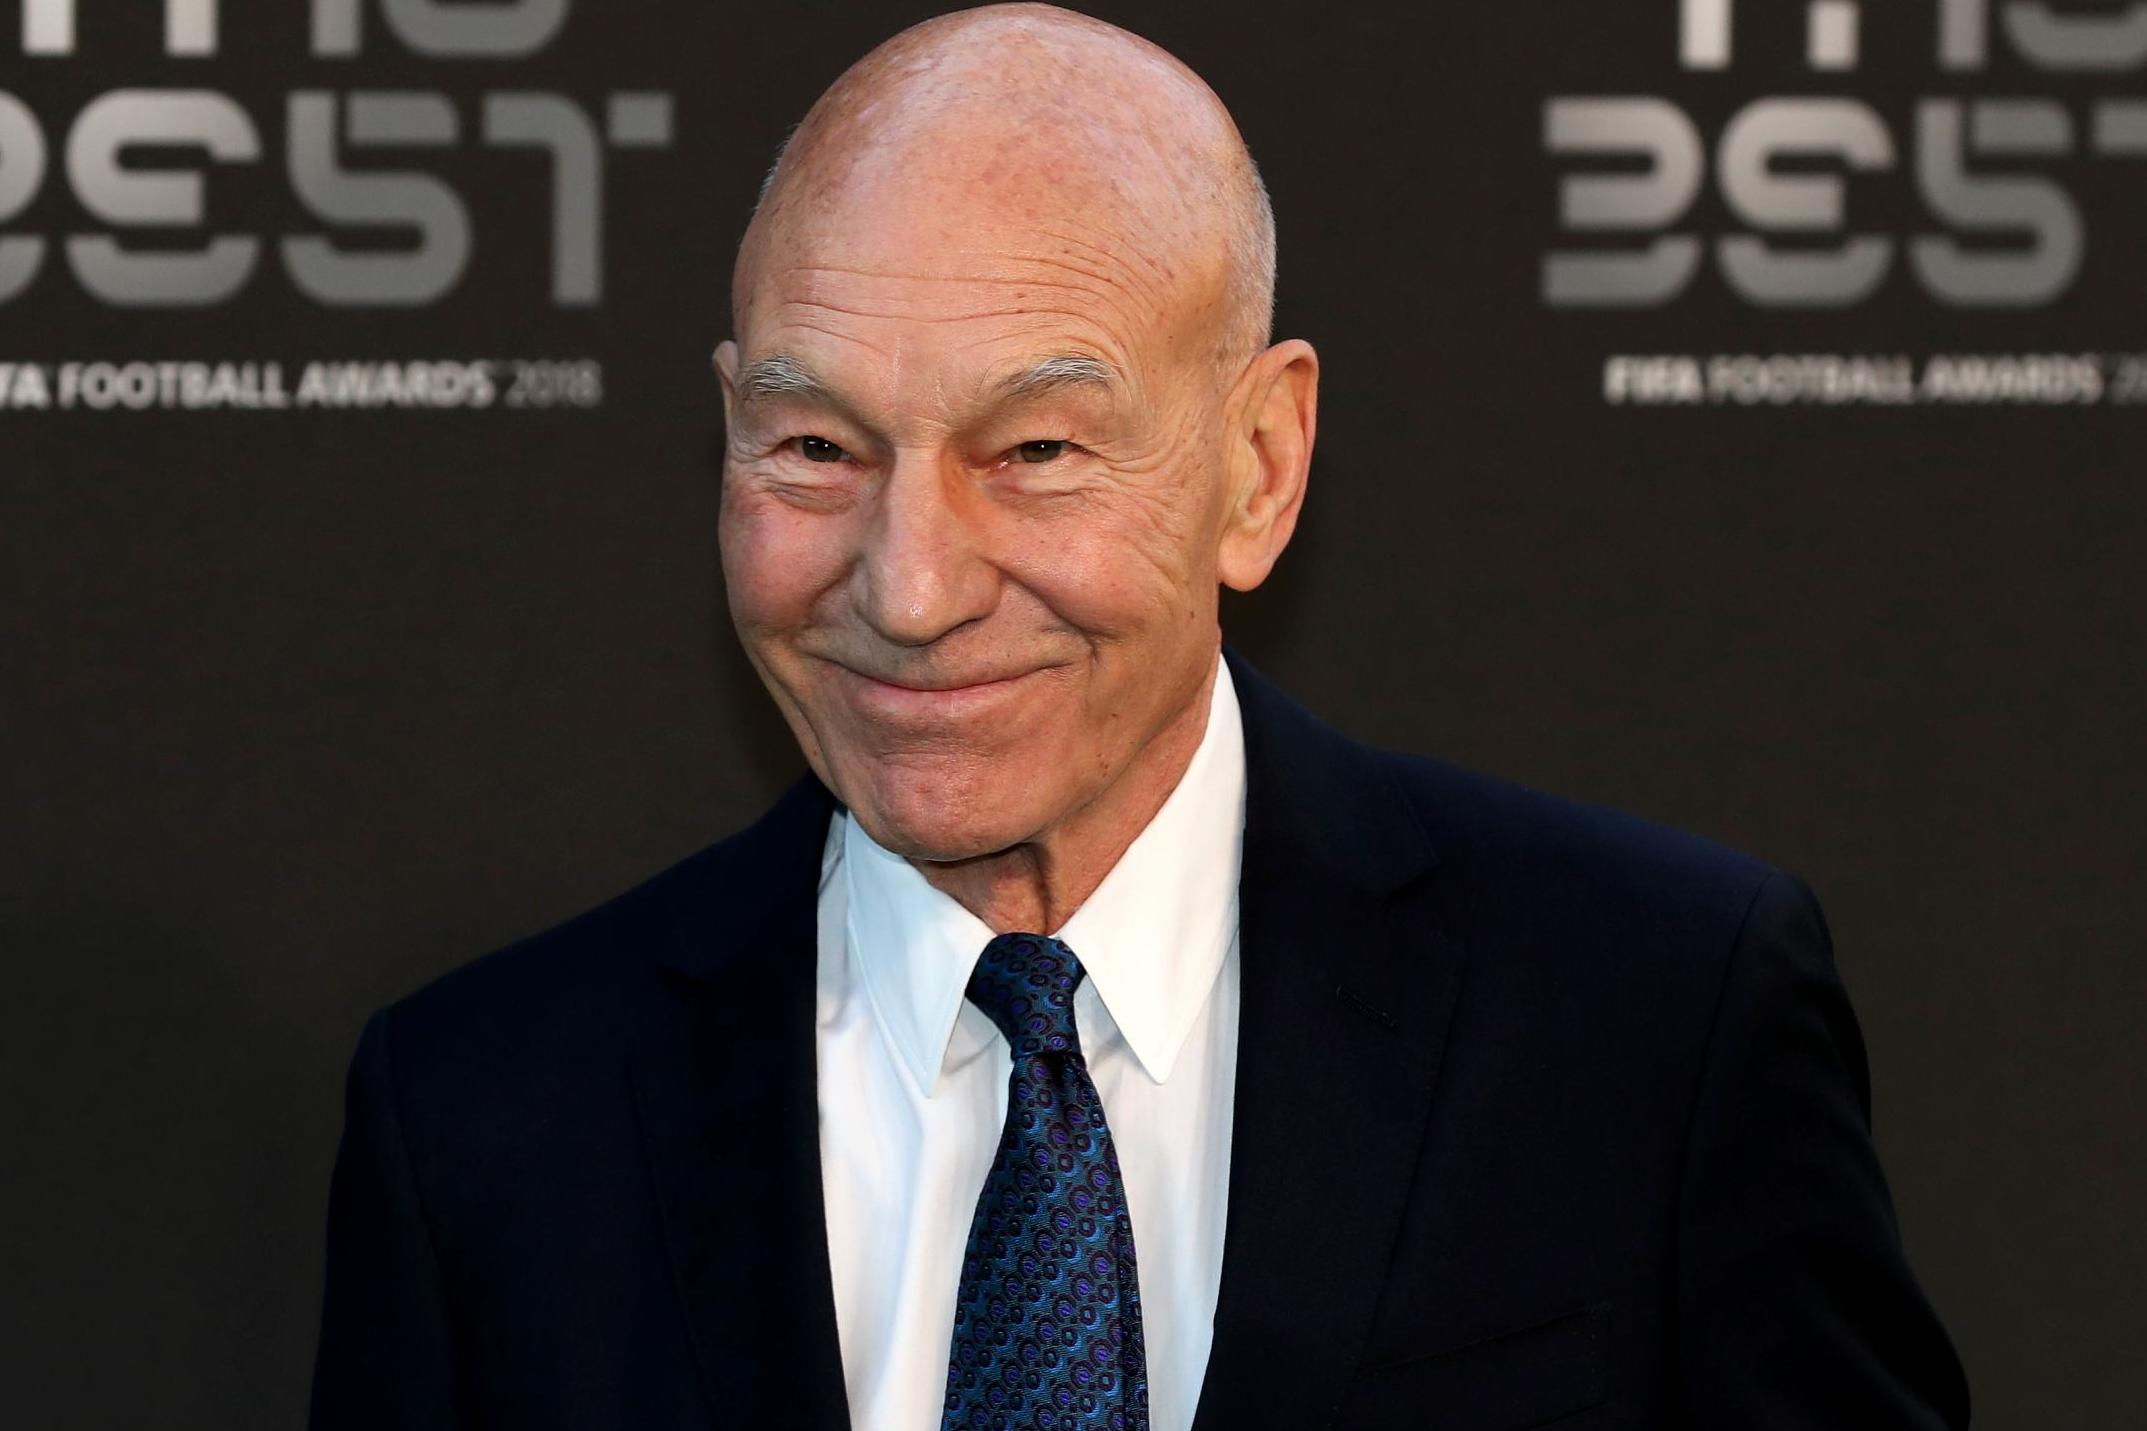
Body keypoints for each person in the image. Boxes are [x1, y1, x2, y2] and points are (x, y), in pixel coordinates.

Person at [307, 5, 1971, 1428]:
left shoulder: (1653, 1024)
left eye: (1033, 452)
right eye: (817, 449)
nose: (910, 586)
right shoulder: (484, 1118)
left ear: (1259, 468)